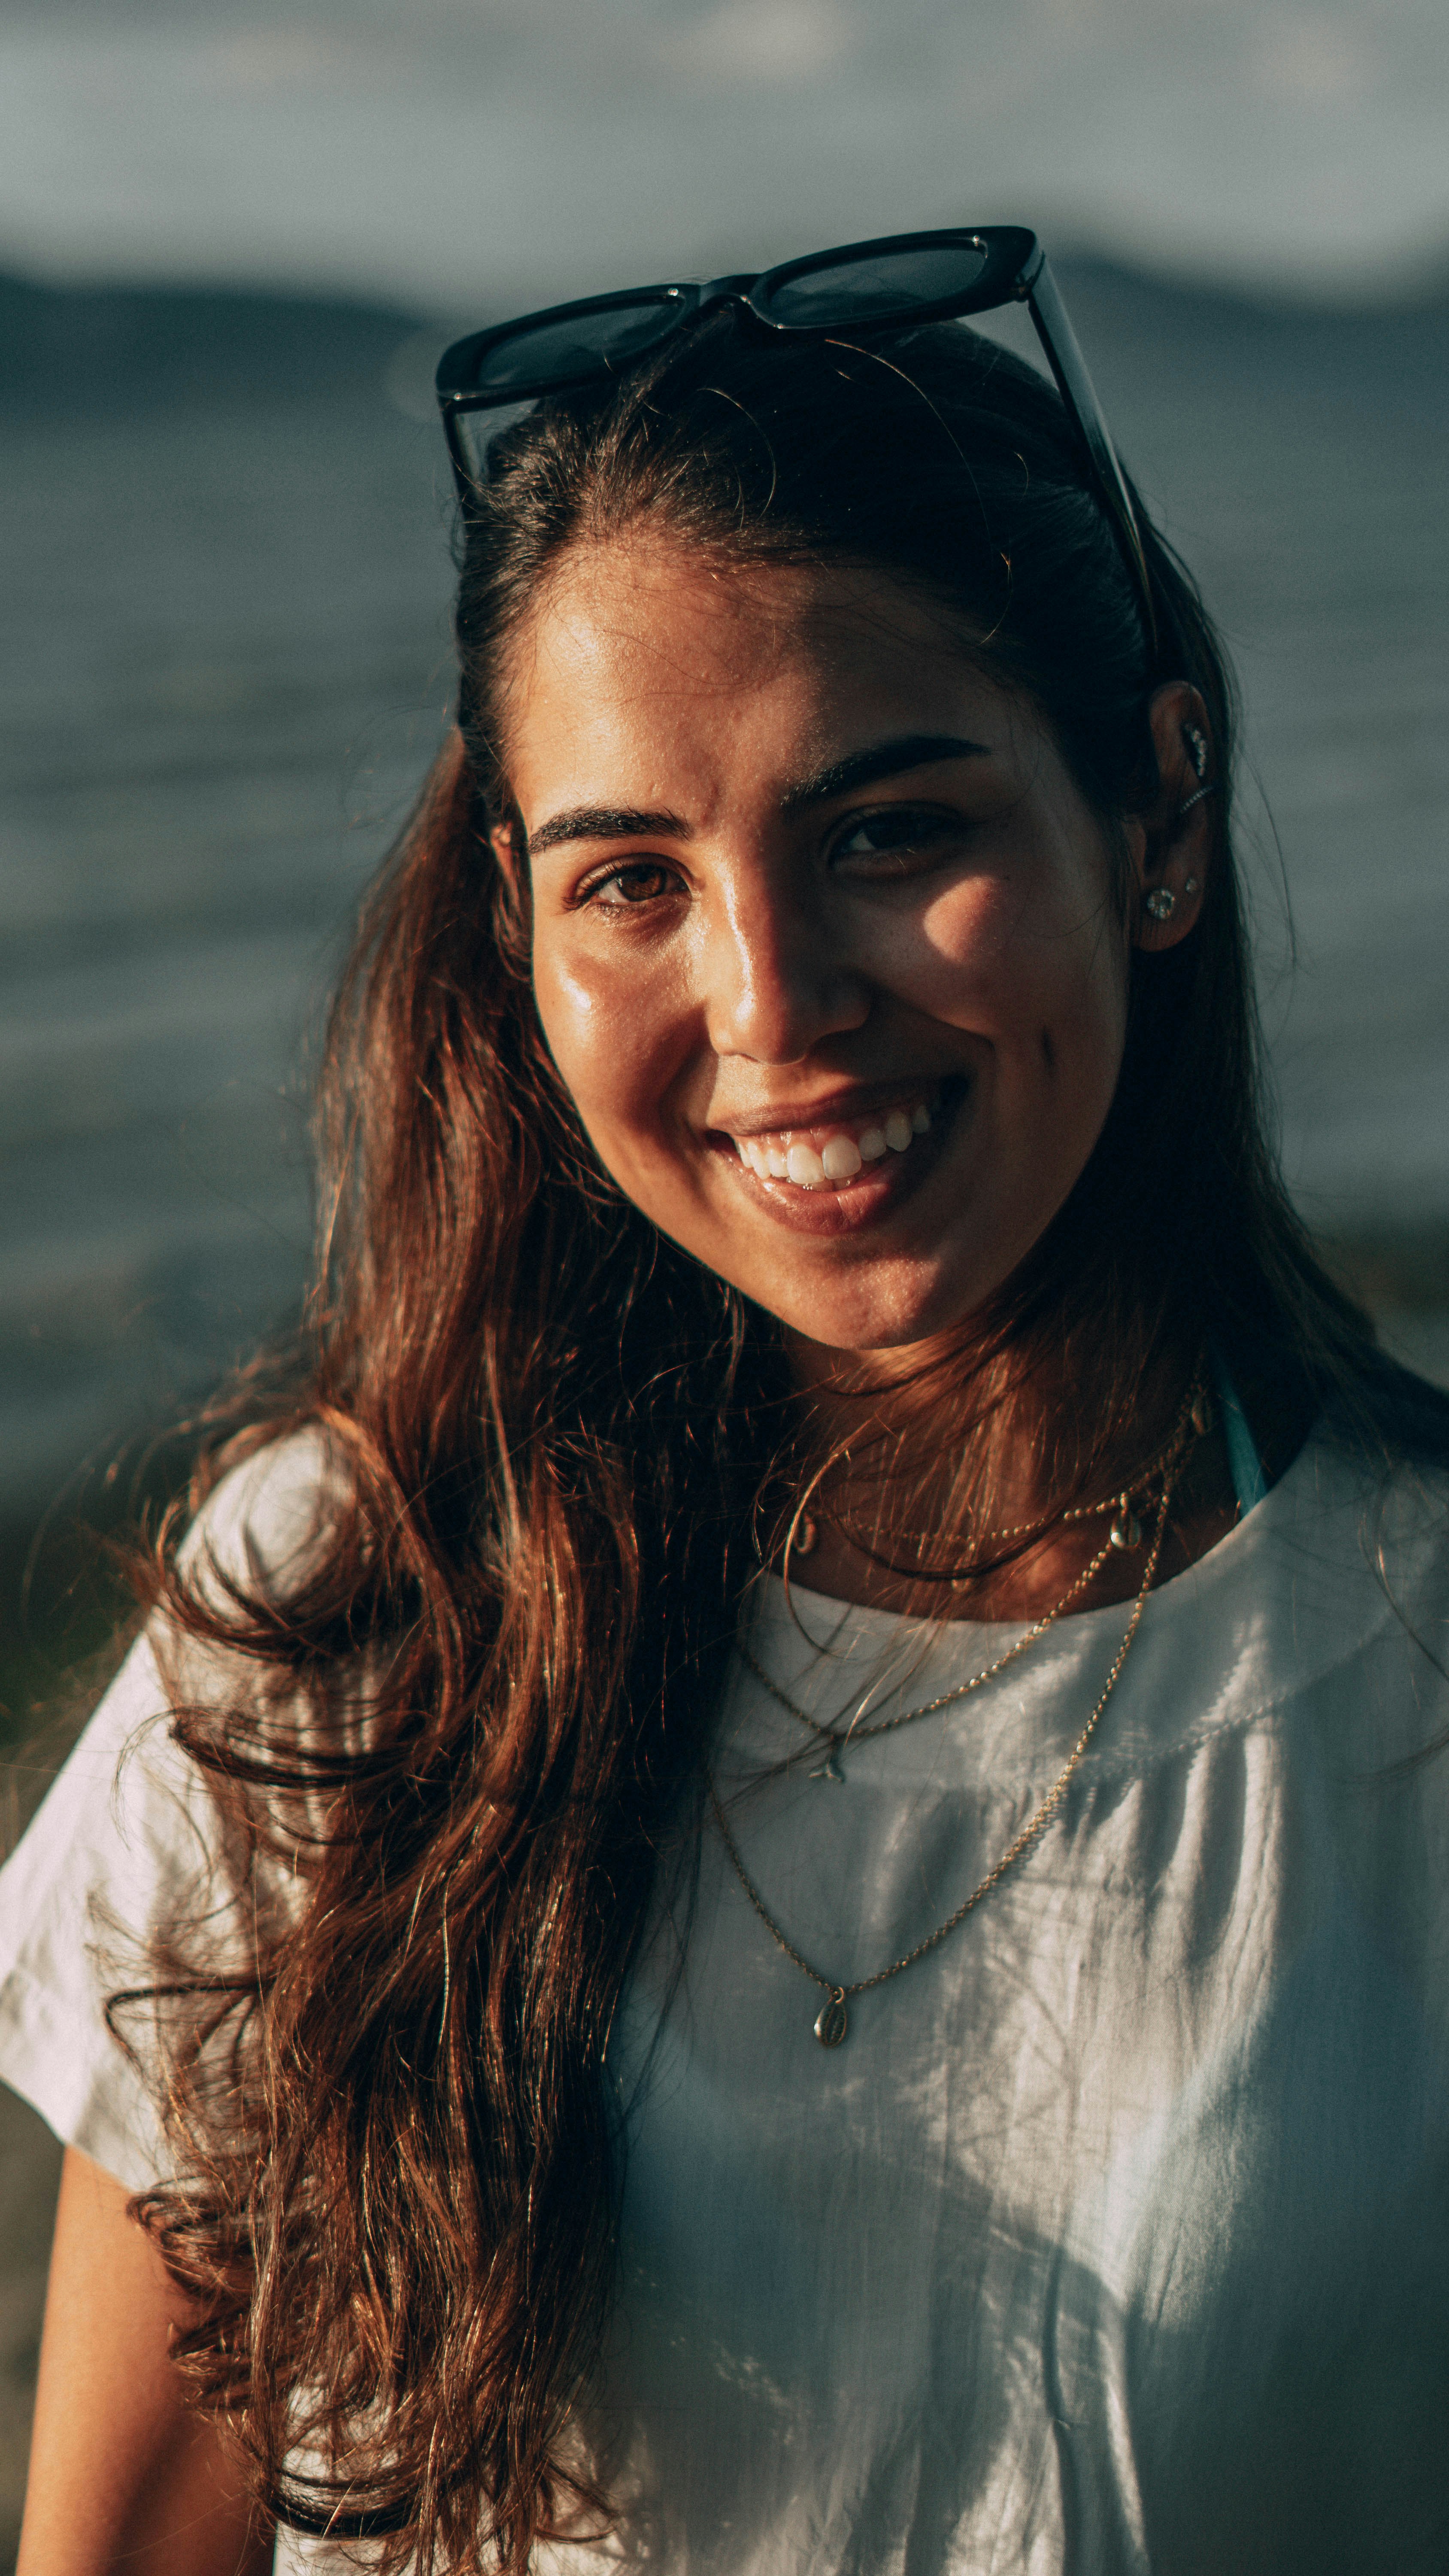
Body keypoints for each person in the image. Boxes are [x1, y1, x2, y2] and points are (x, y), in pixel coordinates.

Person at [3, 228, 1448, 2576]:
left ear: (1159, 811)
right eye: (633, 882)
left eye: (894, 832)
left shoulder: (1411, 1680)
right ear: (515, 923)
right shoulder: (334, 1631)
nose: (770, 1010)